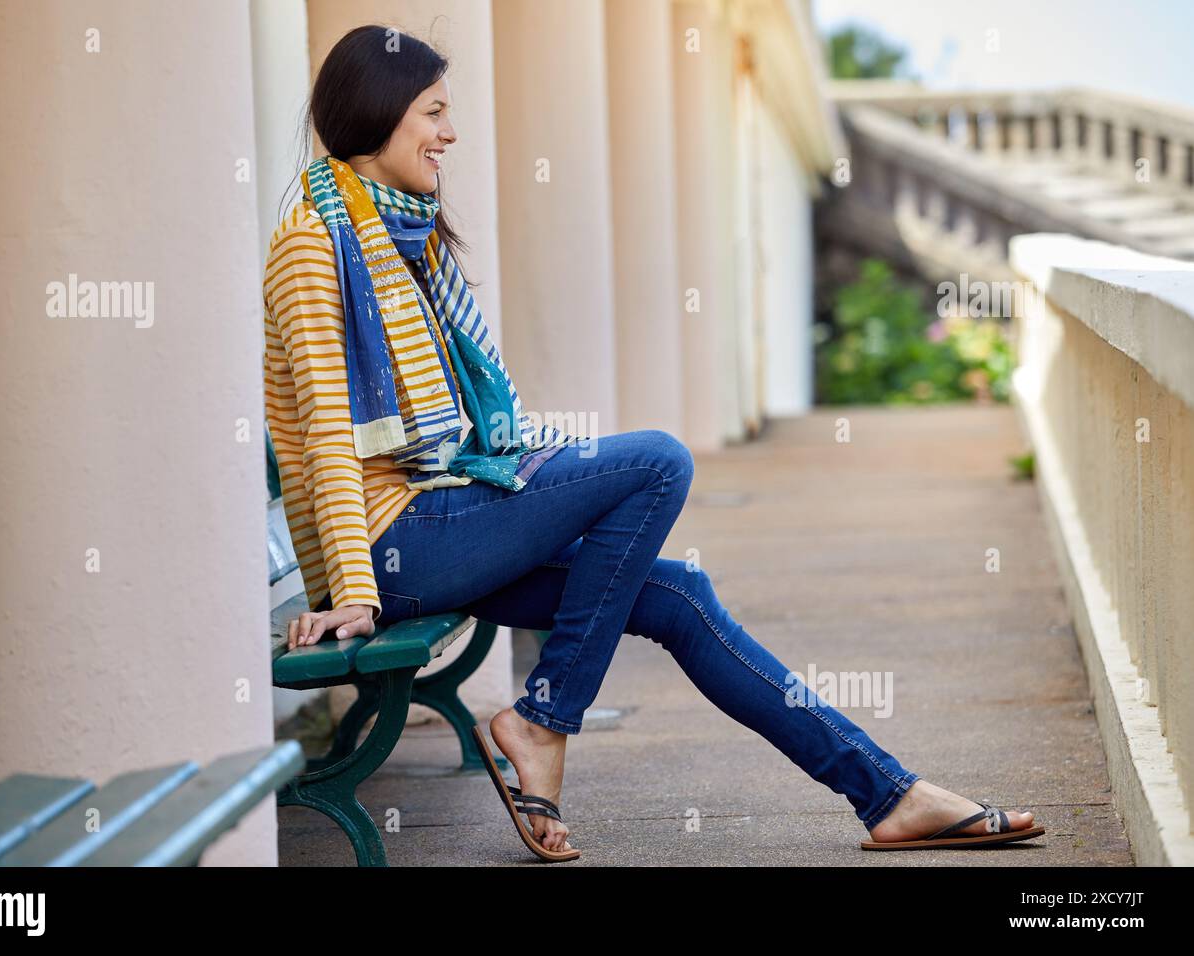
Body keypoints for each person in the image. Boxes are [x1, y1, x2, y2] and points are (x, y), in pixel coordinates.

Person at [262, 24, 1043, 860]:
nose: (449, 134)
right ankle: (544, 723)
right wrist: (347, 588)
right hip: (396, 548)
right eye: (433, 112)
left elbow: (463, 420)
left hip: (447, 518)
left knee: (680, 598)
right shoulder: (315, 243)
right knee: (658, 461)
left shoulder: (397, 236)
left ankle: (888, 794)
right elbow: (327, 433)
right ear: (379, 112)